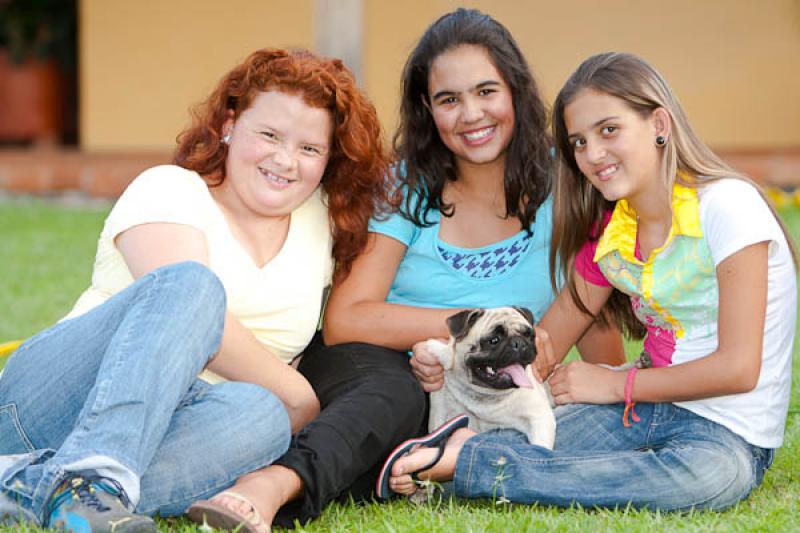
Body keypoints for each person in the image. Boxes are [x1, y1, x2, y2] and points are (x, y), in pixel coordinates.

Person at [189, 9, 624, 532]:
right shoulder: (407, 186)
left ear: (517, 91)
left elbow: (592, 318)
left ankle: (420, 461)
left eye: (487, 91)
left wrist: (607, 386)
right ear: (427, 109)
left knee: (558, 421)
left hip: (482, 392)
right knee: (397, 398)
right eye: (448, 99)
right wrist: (470, 331)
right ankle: (271, 485)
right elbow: (349, 318)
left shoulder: (568, 185)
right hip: (374, 368)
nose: (470, 114)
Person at [381, 51, 797, 512]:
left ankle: (471, 464)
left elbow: (738, 370)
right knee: (532, 430)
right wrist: (447, 357)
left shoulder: (728, 206)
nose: (592, 155)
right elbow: (546, 344)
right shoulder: (612, 232)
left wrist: (615, 385)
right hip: (638, 412)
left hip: (726, 433)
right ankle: (474, 453)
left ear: (659, 123)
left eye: (609, 130)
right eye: (578, 142)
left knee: (708, 480)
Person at [0, 47, 387, 532]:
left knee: (263, 418)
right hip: (57, 397)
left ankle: (35, 488)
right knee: (194, 287)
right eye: (269, 134)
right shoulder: (168, 188)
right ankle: (93, 477)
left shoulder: (323, 225)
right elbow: (194, 319)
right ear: (229, 124)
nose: (286, 161)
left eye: (310, 148)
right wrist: (297, 395)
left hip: (180, 426)